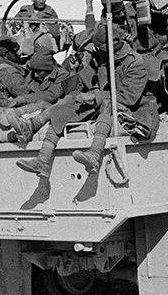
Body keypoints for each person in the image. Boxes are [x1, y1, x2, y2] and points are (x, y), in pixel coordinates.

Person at [9, 22, 156, 178]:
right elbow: (81, 82)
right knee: (65, 106)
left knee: (106, 104)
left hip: (132, 108)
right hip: (101, 102)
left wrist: (94, 96)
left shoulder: (134, 62)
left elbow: (129, 97)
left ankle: (94, 154)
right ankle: (41, 157)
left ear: (113, 43)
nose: (95, 51)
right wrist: (73, 72)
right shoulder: (102, 56)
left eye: (99, 48)